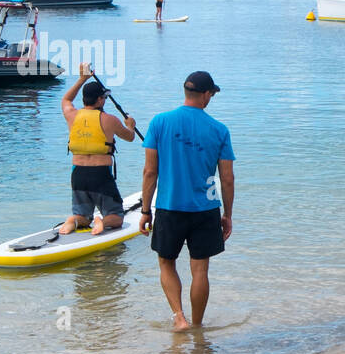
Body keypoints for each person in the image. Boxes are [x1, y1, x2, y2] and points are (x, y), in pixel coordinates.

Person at [140, 71, 235, 331]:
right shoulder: (219, 129)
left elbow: (150, 171)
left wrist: (146, 211)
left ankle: (179, 317)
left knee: (166, 262)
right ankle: (197, 325)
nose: (211, 99)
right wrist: (227, 214)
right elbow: (227, 178)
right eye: (211, 95)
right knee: (200, 270)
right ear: (206, 94)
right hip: (205, 209)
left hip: (170, 207)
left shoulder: (159, 122)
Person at [59, 63, 137, 235]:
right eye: (104, 98)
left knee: (82, 215)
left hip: (78, 174)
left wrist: (82, 79)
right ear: (100, 100)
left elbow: (66, 100)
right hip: (100, 175)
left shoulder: (71, 115)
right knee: (116, 217)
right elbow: (130, 137)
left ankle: (74, 220)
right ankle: (101, 220)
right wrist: (130, 125)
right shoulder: (110, 119)